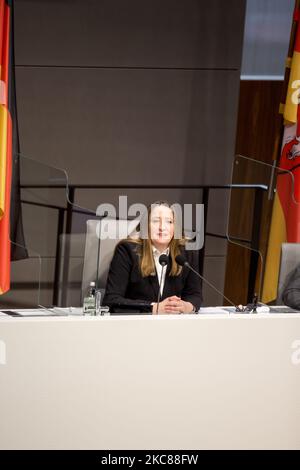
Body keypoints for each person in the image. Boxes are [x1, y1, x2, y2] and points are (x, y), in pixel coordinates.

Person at [103, 201, 202, 314]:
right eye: (155, 221)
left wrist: (186, 306)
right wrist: (153, 308)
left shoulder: (187, 253)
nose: (162, 227)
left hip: (172, 325)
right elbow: (111, 300)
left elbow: (195, 295)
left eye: (169, 222)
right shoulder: (127, 250)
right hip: (135, 324)